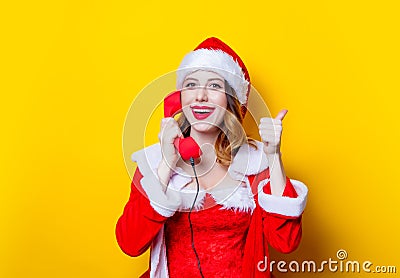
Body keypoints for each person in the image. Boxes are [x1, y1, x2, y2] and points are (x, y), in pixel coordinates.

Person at [116, 37, 308, 278]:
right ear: (180, 98)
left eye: (215, 86)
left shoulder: (254, 161)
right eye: (191, 85)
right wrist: (167, 163)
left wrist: (274, 157)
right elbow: (129, 243)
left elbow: (285, 242)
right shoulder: (154, 162)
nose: (200, 96)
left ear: (231, 99)